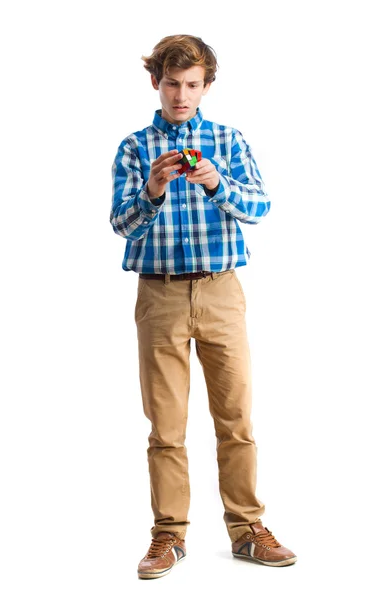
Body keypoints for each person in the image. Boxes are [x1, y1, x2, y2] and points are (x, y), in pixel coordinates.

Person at [110, 34, 297, 579]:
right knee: (165, 426)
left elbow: (260, 205)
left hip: (221, 291)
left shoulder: (228, 139)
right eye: (172, 84)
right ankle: (168, 535)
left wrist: (217, 182)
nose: (181, 95)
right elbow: (119, 224)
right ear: (156, 83)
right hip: (160, 293)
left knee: (236, 419)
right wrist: (152, 190)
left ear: (207, 86)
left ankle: (246, 529)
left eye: (192, 85)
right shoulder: (135, 146)